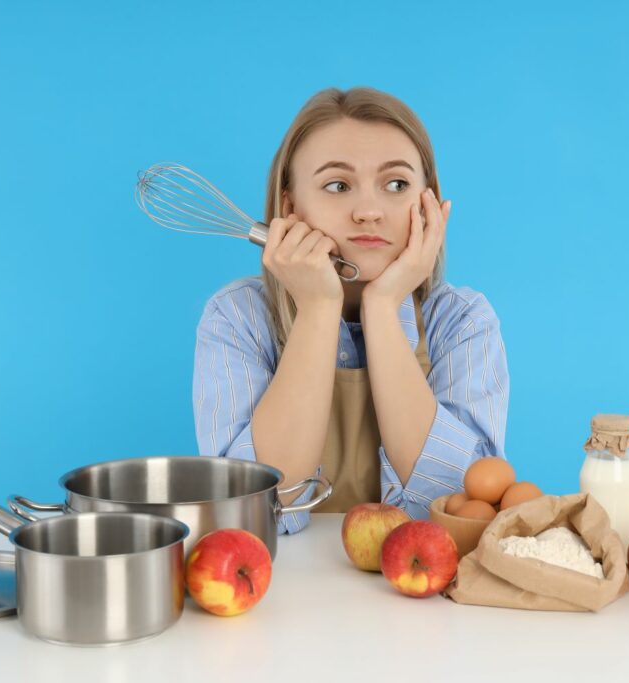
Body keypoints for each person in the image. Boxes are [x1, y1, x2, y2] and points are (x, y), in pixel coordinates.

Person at [193, 86, 509, 534]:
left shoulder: (463, 322)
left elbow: (454, 507)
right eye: (337, 185)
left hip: (419, 598)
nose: (368, 211)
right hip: (281, 590)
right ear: (290, 207)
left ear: (429, 206)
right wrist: (320, 307)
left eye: (396, 184)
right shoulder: (236, 318)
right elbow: (254, 512)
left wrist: (383, 306)